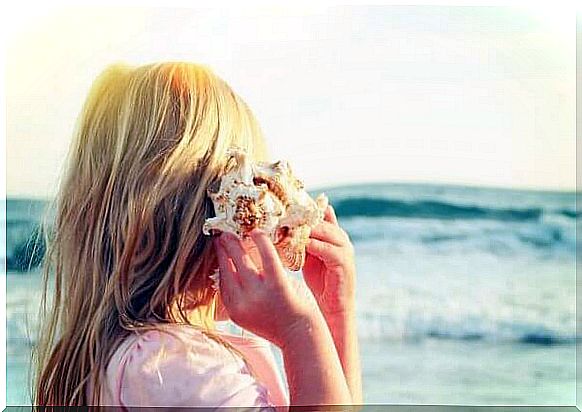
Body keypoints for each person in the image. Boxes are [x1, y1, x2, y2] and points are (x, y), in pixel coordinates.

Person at [33, 62, 362, 409]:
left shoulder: (148, 358)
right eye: (252, 188)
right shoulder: (179, 369)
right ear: (210, 216)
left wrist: (334, 317)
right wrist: (300, 332)